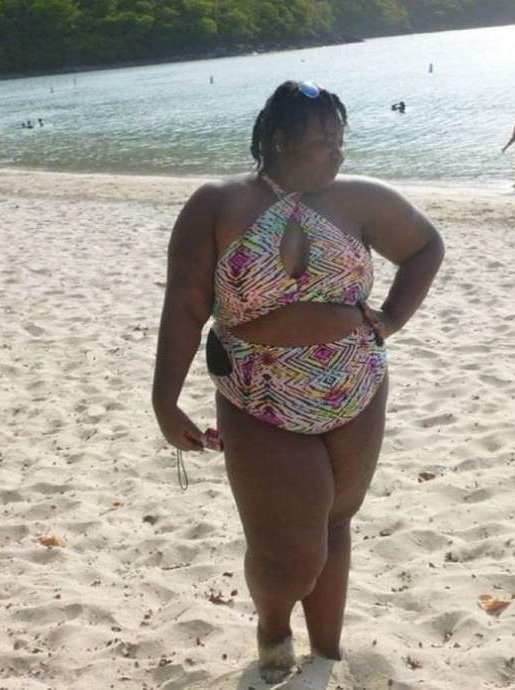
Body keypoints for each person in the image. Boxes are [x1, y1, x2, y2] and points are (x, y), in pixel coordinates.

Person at [152, 80, 443, 683]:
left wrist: (391, 319)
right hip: (258, 397)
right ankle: (273, 623)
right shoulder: (217, 205)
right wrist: (165, 399)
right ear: (280, 141)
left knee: (335, 522)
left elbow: (425, 248)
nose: (337, 153)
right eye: (322, 142)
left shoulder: (360, 200)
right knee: (292, 554)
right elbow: (184, 306)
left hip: (357, 388)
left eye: (340, 139)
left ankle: (327, 654)